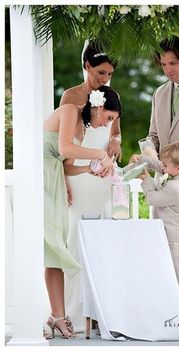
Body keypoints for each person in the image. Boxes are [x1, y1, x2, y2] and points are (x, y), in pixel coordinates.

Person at [43, 86, 121, 339]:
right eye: (108, 118)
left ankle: (58, 316)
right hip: (41, 175)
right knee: (51, 244)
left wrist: (91, 168)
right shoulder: (68, 111)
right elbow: (64, 149)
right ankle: (56, 315)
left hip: (55, 175)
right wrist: (100, 153)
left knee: (57, 246)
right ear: (98, 107)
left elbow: (67, 166)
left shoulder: (85, 127)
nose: (107, 125)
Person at [60, 42, 122, 332]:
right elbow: (63, 145)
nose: (105, 79)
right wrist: (63, 179)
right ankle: (74, 311)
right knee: (75, 241)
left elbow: (115, 129)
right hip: (79, 176)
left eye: (109, 74)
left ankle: (99, 313)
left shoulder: (113, 96)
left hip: (103, 176)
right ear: (86, 65)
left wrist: (115, 141)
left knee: (103, 245)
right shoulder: (71, 97)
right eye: (100, 72)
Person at [147, 36, 179, 288]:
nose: (168, 69)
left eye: (173, 63)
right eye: (163, 64)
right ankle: (173, 315)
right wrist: (147, 153)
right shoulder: (159, 93)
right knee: (163, 254)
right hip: (163, 187)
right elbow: (154, 136)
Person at [140, 141, 179, 328]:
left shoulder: (176, 188)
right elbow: (160, 165)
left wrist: (147, 180)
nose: (162, 168)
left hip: (177, 241)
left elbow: (152, 198)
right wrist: (144, 161)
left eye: (165, 166)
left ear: (178, 167)